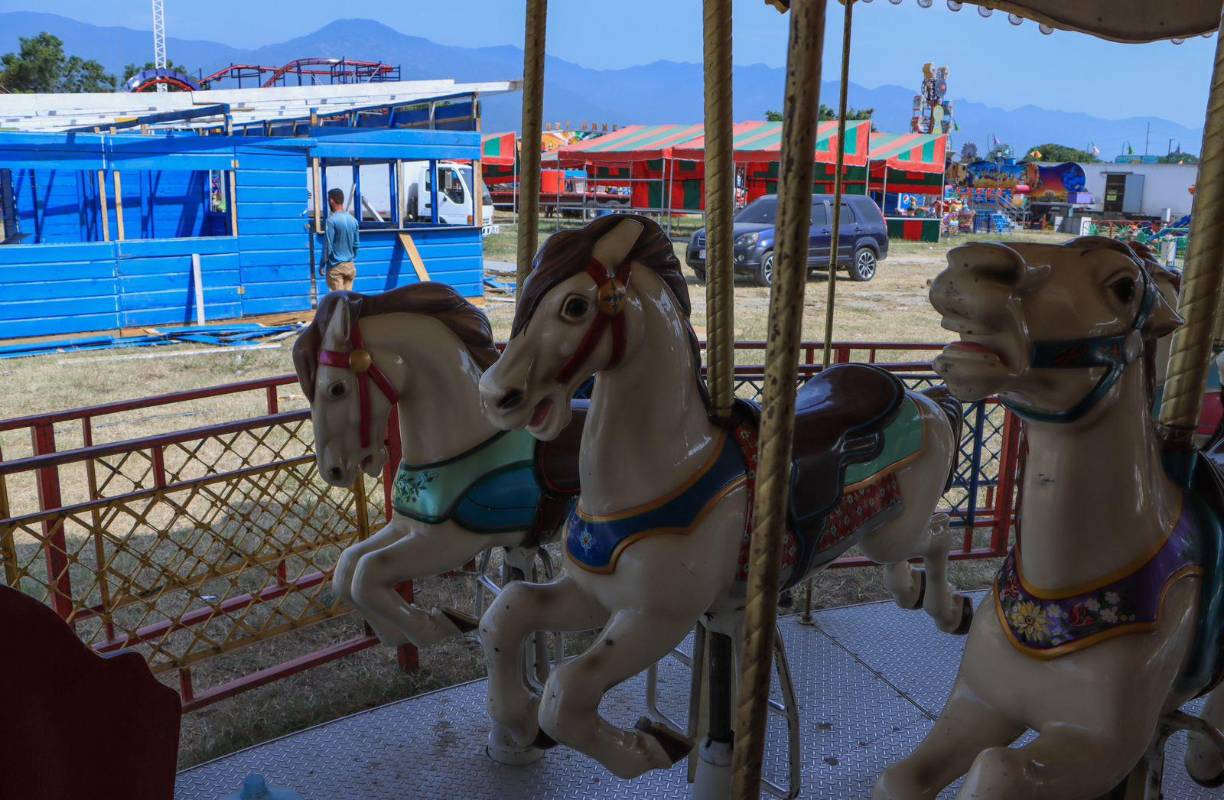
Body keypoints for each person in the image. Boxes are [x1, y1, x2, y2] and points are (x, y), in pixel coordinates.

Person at [323, 188, 359, 292]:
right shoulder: (353, 220)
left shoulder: (331, 220)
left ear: (331, 201)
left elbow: (328, 246)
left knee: (338, 300)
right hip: (350, 267)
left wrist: (322, 264)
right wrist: (351, 259)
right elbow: (356, 244)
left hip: (336, 268)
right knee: (347, 300)